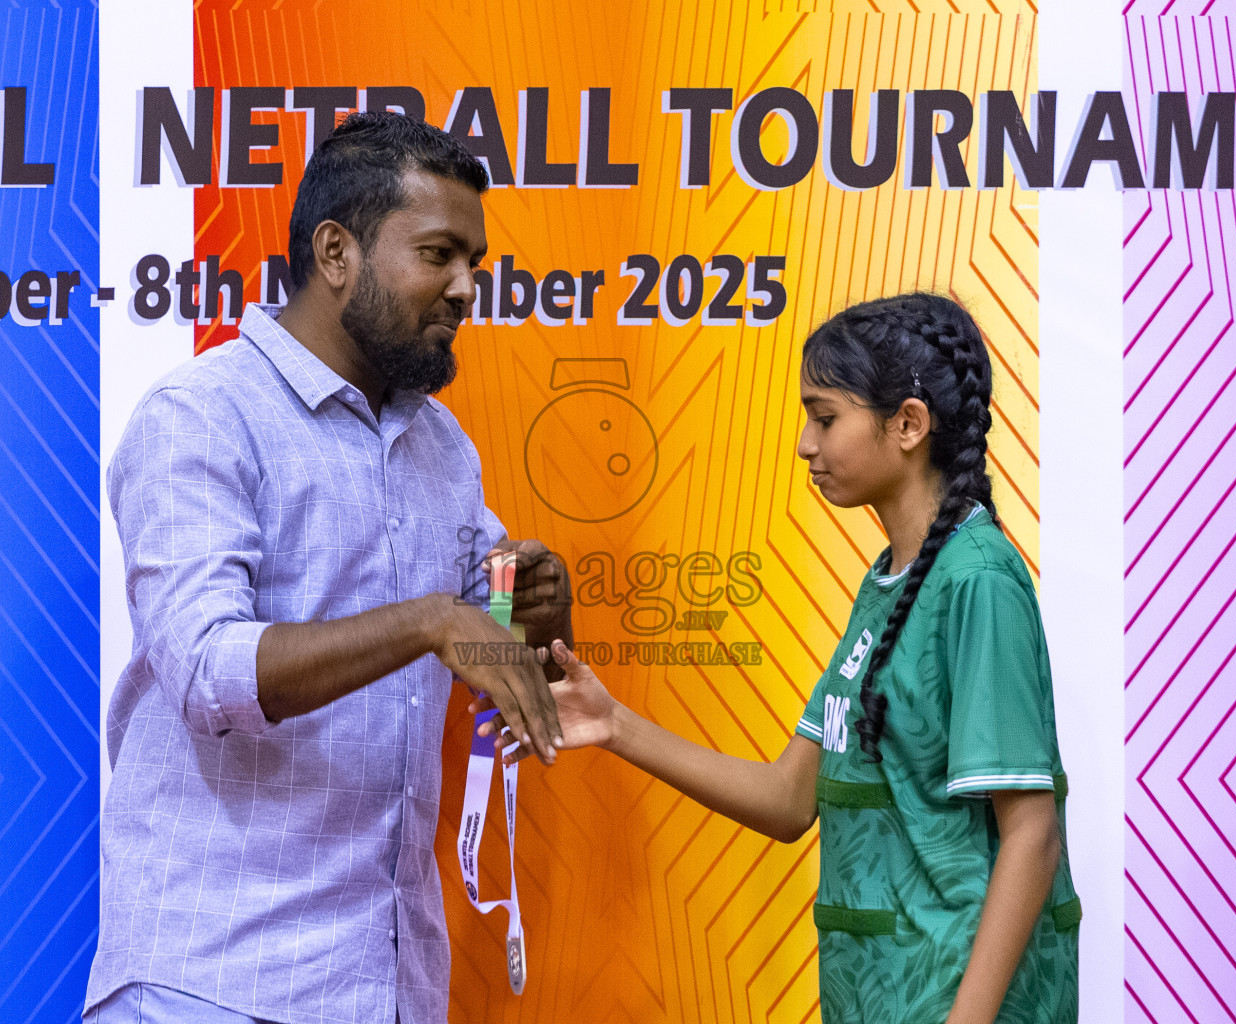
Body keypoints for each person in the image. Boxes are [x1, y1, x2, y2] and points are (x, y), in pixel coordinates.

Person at [86, 112, 572, 1024]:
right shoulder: (202, 414)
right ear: (337, 251)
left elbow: (493, 636)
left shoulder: (441, 447)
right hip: (213, 984)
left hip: (387, 988)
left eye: (474, 262)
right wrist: (429, 621)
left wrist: (531, 600)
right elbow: (204, 670)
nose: (468, 288)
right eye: (438, 255)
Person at [476, 292, 1081, 1023]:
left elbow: (1032, 835)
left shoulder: (976, 580)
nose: (804, 443)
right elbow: (790, 800)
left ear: (908, 424)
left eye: (825, 417)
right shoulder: (890, 582)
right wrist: (613, 724)